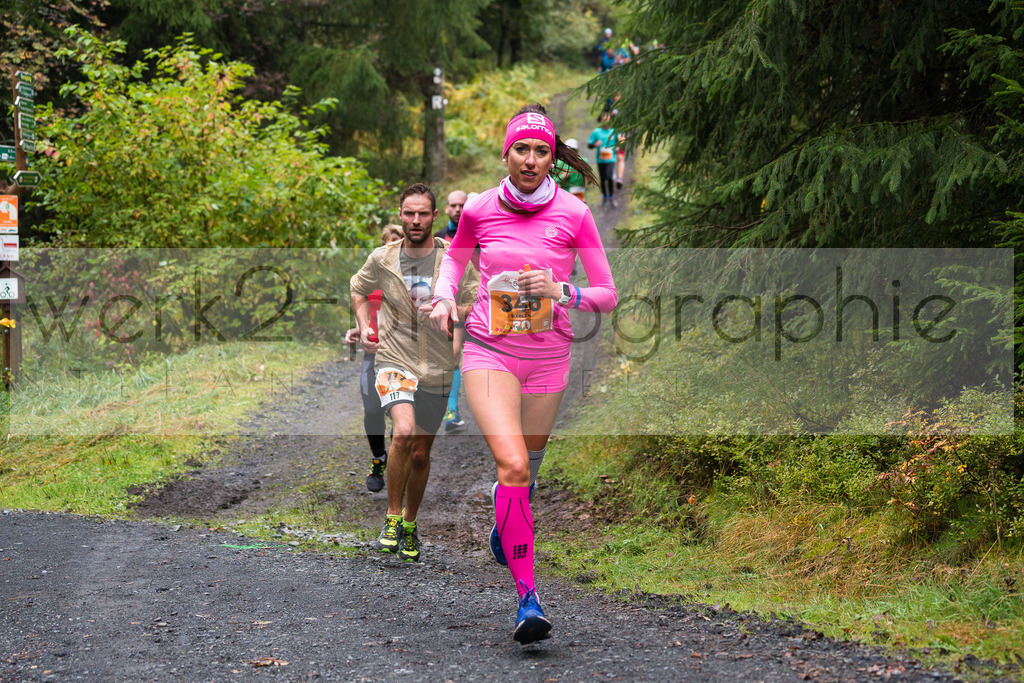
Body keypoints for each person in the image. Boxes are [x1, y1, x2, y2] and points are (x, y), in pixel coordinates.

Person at [427, 104, 617, 644]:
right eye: (522, 149)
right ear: (506, 153)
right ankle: (527, 599)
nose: (532, 160)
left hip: (549, 357)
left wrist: (564, 291)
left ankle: (504, 522)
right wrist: (444, 300)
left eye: (542, 151)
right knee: (510, 464)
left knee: (527, 471)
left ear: (554, 157)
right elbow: (455, 262)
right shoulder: (481, 209)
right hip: (490, 349)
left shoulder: (575, 215)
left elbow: (607, 294)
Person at [350, 183, 478, 562]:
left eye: (423, 213)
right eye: (409, 213)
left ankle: (409, 523)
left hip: (436, 365)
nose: (416, 220)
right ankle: (391, 518)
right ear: (400, 215)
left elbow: (474, 300)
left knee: (421, 454)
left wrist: (450, 309)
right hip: (393, 358)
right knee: (402, 432)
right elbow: (358, 288)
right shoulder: (382, 257)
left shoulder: (452, 258)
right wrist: (365, 325)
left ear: (435, 217)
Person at [345, 224, 404, 492]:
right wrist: (359, 328)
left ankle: (397, 461)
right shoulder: (372, 275)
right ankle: (379, 459)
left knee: (401, 413)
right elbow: (365, 308)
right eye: (388, 244)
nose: (393, 249)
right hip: (374, 353)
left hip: (404, 355)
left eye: (398, 243)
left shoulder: (414, 277)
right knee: (372, 409)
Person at [435, 190, 470, 433]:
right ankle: (452, 411)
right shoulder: (438, 237)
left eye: (462, 205)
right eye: (453, 205)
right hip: (450, 304)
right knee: (452, 354)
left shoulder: (479, 232)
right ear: (447, 209)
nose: (457, 209)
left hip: (478, 301)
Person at [587, 112, 618, 207]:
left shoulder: (614, 131)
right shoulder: (596, 132)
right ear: (600, 120)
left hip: (611, 159)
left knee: (609, 177)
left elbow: (619, 143)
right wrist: (595, 144)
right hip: (601, 160)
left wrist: (618, 147)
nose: (606, 121)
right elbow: (589, 145)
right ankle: (605, 197)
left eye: (607, 119)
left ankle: (611, 197)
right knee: (603, 178)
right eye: (603, 119)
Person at [552, 138, 590, 203]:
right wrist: (562, 176)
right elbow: (552, 181)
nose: (571, 153)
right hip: (566, 193)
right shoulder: (559, 164)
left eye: (573, 150)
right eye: (569, 150)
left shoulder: (583, 161)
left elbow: (590, 176)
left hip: (580, 192)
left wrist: (588, 179)